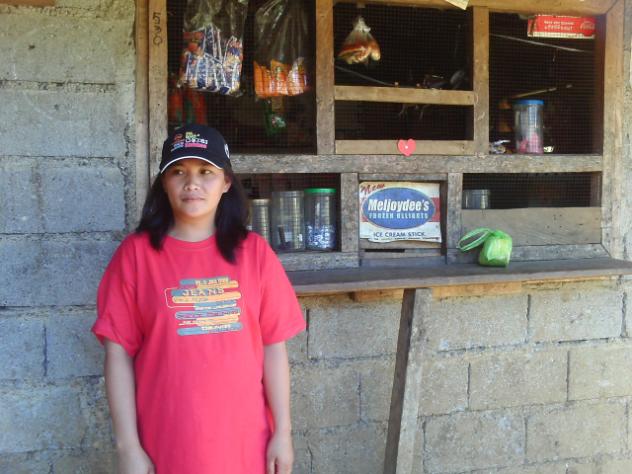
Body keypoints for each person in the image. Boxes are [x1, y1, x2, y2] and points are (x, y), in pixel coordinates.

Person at [92, 124, 305, 474]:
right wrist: (127, 446)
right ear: (164, 183)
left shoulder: (254, 254)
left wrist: (283, 432)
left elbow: (273, 348)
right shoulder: (136, 255)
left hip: (245, 443)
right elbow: (118, 354)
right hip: (167, 443)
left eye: (206, 172)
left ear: (226, 182)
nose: (192, 183)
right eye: (178, 172)